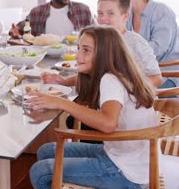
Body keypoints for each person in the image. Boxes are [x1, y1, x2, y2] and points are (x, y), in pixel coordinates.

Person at [29, 26, 157, 188]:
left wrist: (62, 103)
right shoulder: (120, 72)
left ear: (104, 54)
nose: (77, 55)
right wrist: (64, 82)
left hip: (126, 172)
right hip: (132, 160)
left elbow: (108, 123)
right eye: (78, 48)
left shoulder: (110, 80)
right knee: (46, 151)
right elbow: (80, 78)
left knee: (40, 171)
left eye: (86, 50)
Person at [42, 0, 163, 87]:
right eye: (100, 13)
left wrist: (127, 89)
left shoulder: (136, 43)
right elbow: (92, 74)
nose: (103, 19)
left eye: (110, 13)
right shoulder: (98, 39)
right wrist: (64, 81)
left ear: (125, 16)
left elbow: (156, 78)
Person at [114, 0, 179, 87]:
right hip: (138, 73)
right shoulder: (127, 16)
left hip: (165, 74)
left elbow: (159, 48)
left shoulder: (161, 11)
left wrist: (125, 55)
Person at [9, 0, 94, 38]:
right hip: (45, 57)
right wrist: (15, 30)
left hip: (74, 58)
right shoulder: (37, 12)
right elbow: (22, 27)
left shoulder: (83, 10)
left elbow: (97, 32)